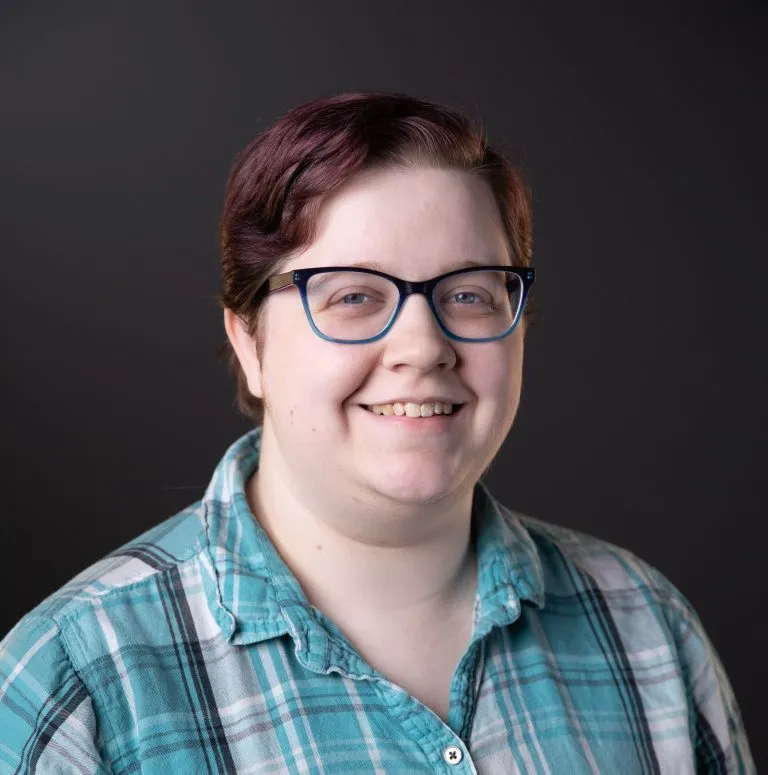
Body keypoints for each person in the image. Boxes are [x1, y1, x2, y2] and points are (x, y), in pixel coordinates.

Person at [0, 93, 754, 774]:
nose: (423, 347)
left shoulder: (645, 628)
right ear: (249, 342)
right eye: (354, 296)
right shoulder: (74, 684)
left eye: (469, 293)